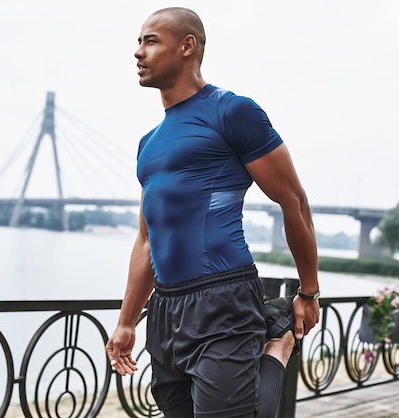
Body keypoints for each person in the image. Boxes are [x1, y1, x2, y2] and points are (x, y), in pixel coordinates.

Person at [105, 6, 320, 418]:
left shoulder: (232, 112)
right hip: (166, 309)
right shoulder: (147, 144)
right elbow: (148, 238)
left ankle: (276, 345)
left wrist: (308, 291)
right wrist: (128, 320)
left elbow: (293, 201)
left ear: (188, 46)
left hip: (223, 298)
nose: (138, 52)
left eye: (150, 41)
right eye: (138, 41)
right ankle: (270, 345)